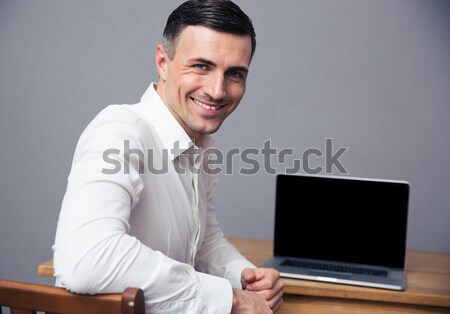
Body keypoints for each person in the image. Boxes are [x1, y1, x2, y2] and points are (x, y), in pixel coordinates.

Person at [53, 0, 284, 313]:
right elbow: (89, 258)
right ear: (163, 61)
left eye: (234, 73)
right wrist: (228, 298)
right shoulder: (120, 131)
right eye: (201, 66)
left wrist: (243, 276)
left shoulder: (201, 144)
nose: (217, 91)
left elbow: (202, 240)